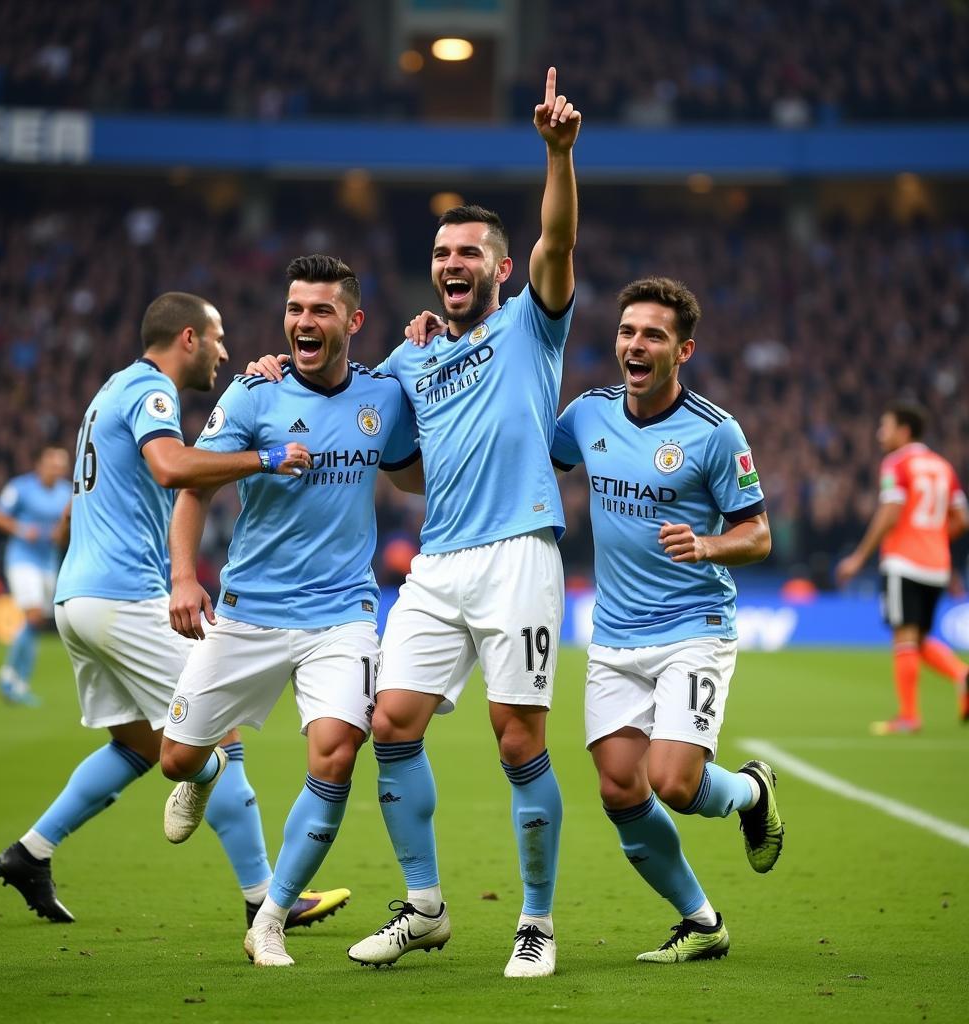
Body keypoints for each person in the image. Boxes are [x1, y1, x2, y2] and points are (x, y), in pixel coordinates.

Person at [0, 291, 349, 936]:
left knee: (134, 746)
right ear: (187, 338)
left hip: (78, 599)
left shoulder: (110, 389)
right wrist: (266, 458)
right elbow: (170, 468)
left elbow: (102, 495)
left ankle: (31, 852)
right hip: (127, 596)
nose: (224, 350)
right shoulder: (151, 392)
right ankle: (263, 897)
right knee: (219, 734)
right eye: (216, 338)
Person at [342, 67, 580, 978]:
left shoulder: (531, 326)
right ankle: (425, 906)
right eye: (443, 255)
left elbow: (559, 239)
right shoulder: (411, 357)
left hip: (519, 553)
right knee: (390, 722)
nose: (452, 266)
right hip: (437, 560)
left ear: (500, 266)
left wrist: (558, 155)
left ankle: (536, 922)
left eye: (469, 254)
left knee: (518, 737)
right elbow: (401, 468)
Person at [158, 256, 421, 968]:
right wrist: (185, 576)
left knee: (336, 752)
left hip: (342, 613)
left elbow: (408, 468)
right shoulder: (252, 394)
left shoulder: (384, 397)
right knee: (175, 758)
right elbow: (190, 488)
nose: (305, 322)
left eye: (321, 311)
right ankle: (208, 774)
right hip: (248, 611)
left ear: (352, 322)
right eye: (296, 309)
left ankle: (270, 917)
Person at [550, 276, 783, 963]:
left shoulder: (715, 433)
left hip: (693, 624)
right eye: (627, 332)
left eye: (653, 334)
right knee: (621, 788)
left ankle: (749, 791)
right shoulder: (587, 414)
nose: (636, 344)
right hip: (615, 634)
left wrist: (709, 543)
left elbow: (759, 534)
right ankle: (702, 922)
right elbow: (534, 460)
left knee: (675, 783)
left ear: (683, 350)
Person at [836, 401, 969, 732]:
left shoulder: (896, 463)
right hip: (936, 564)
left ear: (904, 431)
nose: (881, 434)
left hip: (904, 561)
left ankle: (909, 716)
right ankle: (962, 674)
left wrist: (859, 557)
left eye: (886, 426)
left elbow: (890, 511)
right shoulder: (942, 466)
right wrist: (934, 537)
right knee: (919, 639)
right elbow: (962, 519)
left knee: (905, 638)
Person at [0, 446, 73, 705]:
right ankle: (9, 676)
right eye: (53, 464)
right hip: (22, 560)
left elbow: (67, 526)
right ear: (40, 465)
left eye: (61, 465)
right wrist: (22, 529)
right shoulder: (20, 487)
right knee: (34, 615)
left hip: (48, 563)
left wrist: (61, 534)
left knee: (35, 623)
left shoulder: (67, 492)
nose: (57, 469)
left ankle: (19, 681)